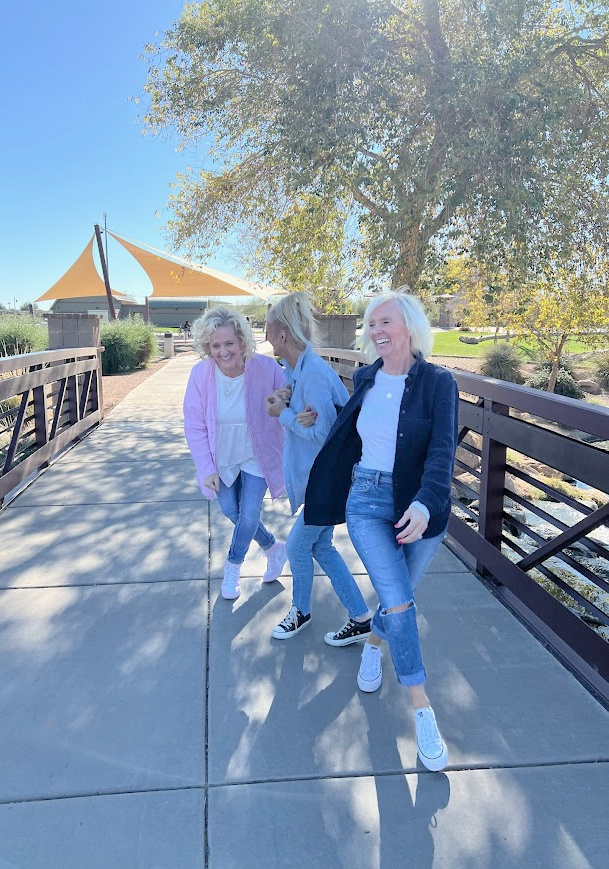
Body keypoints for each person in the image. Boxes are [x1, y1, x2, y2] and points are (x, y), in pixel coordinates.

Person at [304, 290, 459, 772]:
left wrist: (425, 503)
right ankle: (422, 709)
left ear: (409, 326)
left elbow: (441, 454)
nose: (376, 332)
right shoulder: (366, 376)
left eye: (385, 322)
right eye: (371, 325)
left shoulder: (438, 383)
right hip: (367, 500)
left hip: (419, 507)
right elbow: (350, 433)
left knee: (400, 593)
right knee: (399, 600)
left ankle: (373, 642)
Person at [264, 292, 371, 642]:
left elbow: (324, 433)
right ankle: (360, 616)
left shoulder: (313, 375)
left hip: (327, 479)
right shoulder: (299, 370)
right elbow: (300, 407)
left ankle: (301, 611)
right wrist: (286, 401)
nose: (264, 336)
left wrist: (285, 416)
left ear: (282, 335)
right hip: (320, 480)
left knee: (296, 547)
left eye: (267, 328)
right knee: (321, 547)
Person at [184, 306, 288, 600]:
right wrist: (206, 469)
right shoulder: (201, 375)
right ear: (208, 347)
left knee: (250, 513)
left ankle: (233, 566)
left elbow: (287, 392)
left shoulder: (267, 369)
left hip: (257, 452)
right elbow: (194, 426)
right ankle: (272, 546)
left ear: (242, 341)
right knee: (231, 510)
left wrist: (284, 398)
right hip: (222, 454)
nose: (223, 351)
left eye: (229, 343)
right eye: (216, 345)